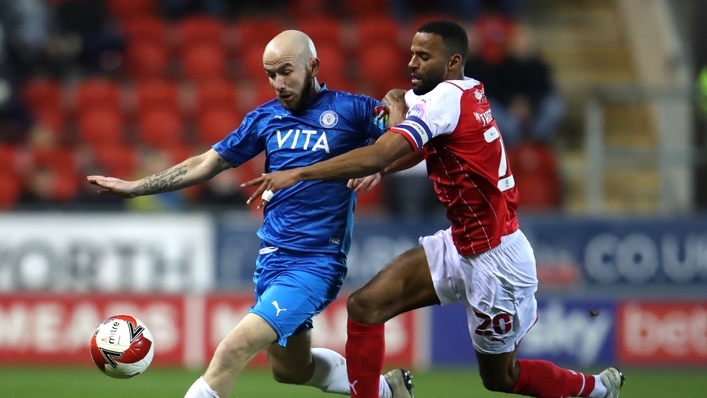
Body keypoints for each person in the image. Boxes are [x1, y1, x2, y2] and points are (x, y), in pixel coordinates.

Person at [243, 21, 625, 398]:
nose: (412, 63)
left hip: (497, 260)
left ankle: (595, 390)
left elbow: (382, 149)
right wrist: (390, 129)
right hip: (460, 245)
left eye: (424, 57)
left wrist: (300, 173)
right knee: (365, 307)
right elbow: (418, 135)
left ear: (453, 62)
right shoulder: (466, 91)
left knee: (501, 377)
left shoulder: (444, 100)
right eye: (411, 54)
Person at [87, 30, 413, 398]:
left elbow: (402, 121)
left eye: (286, 72)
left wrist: (381, 161)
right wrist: (136, 186)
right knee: (291, 371)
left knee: (232, 350)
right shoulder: (265, 118)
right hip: (272, 261)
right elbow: (205, 164)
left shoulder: (350, 110)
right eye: (271, 75)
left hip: (314, 263)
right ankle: (388, 390)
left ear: (314, 66)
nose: (278, 83)